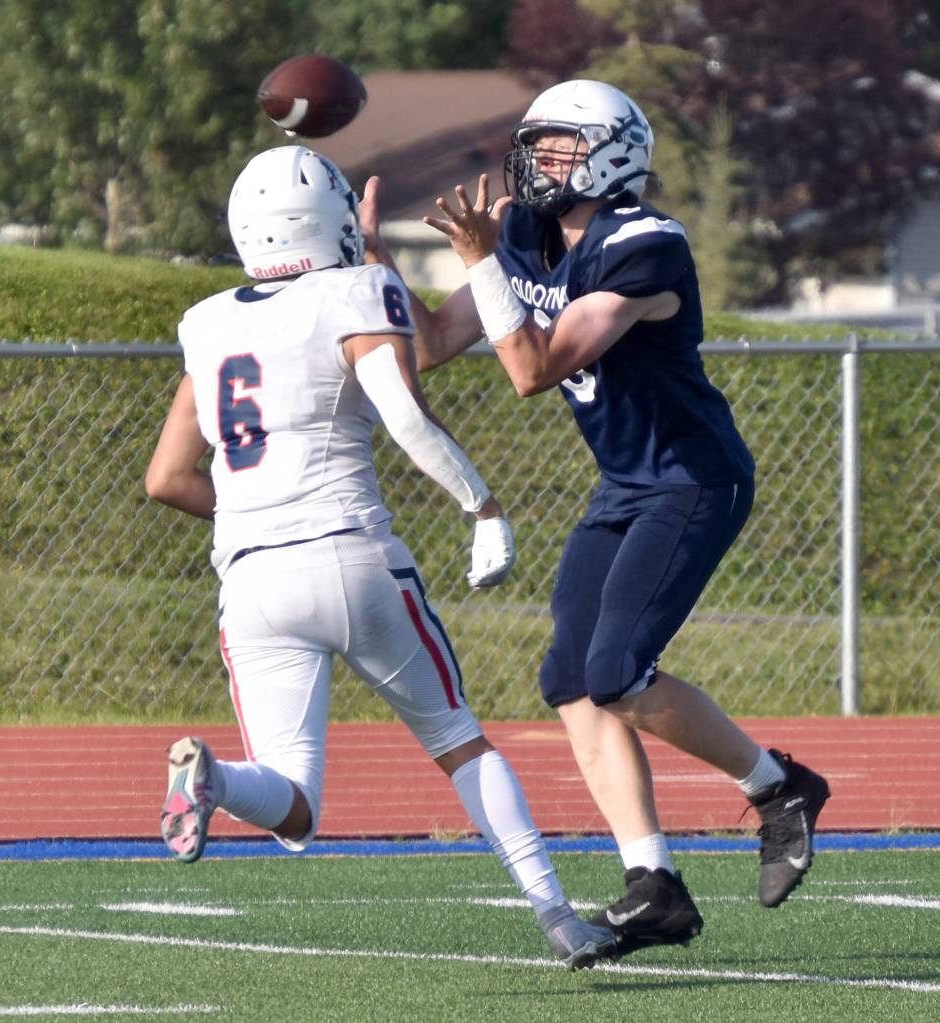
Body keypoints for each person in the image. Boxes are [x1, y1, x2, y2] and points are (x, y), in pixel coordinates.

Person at [359, 79, 831, 957]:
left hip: (691, 479)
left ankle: (779, 787)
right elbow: (427, 344)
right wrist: (370, 266)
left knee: (617, 671)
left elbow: (532, 370)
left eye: (556, 146)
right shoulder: (533, 234)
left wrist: (478, 260)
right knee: (572, 678)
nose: (535, 162)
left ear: (610, 152)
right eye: (533, 144)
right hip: (625, 481)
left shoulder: (645, 245)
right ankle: (653, 881)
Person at [144, 144, 615, 970]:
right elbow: (402, 415)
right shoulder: (354, 288)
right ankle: (560, 919)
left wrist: (260, 512)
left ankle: (214, 780)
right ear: (329, 220)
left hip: (251, 579)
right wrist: (483, 503)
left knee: (294, 807)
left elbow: (166, 478)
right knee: (459, 740)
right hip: (350, 556)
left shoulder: (206, 322)